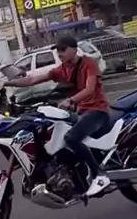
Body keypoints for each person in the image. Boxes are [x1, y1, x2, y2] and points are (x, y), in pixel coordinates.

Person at [6, 34, 111, 197]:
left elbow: (89, 89)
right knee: (54, 131)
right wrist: (6, 83)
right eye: (58, 51)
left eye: (63, 49)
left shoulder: (89, 63)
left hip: (97, 111)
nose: (59, 53)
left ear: (74, 49)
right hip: (81, 112)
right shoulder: (63, 69)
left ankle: (99, 176)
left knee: (71, 138)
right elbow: (32, 80)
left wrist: (71, 100)